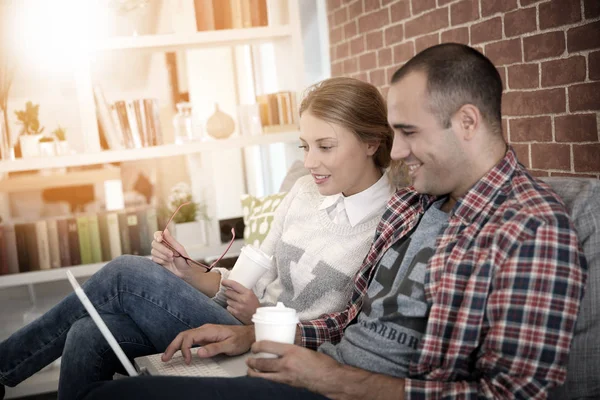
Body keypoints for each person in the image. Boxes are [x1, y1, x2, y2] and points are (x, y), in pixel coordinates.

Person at [79, 43, 587, 400]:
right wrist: (253, 336)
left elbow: (512, 393)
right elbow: (349, 318)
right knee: (100, 357)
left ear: (469, 123)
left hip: (341, 388)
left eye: (408, 132)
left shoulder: (532, 226)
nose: (400, 151)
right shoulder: (415, 206)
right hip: (311, 368)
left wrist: (339, 382)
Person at [0, 77, 400, 400]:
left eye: (325, 146)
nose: (310, 162)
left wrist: (260, 315)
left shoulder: (390, 223)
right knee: (87, 332)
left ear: (371, 142)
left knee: (124, 272)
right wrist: (188, 272)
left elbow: (354, 327)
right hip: (238, 322)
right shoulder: (305, 193)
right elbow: (242, 283)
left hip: (286, 345)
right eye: (305, 146)